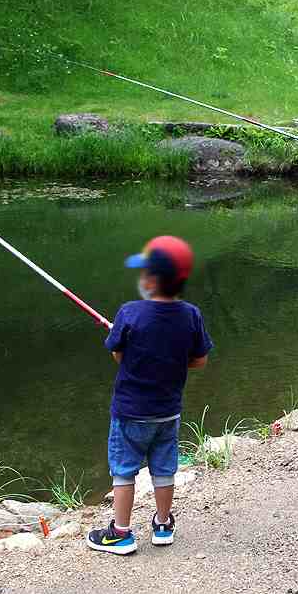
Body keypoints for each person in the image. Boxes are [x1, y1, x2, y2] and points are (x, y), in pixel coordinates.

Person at [87, 235, 213, 554]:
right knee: (163, 469)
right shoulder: (191, 315)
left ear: (152, 280)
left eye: (144, 272)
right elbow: (200, 360)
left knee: (124, 471)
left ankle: (121, 533)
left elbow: (118, 356)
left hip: (130, 412)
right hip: (168, 412)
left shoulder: (129, 313)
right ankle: (162, 524)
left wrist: (131, 340)